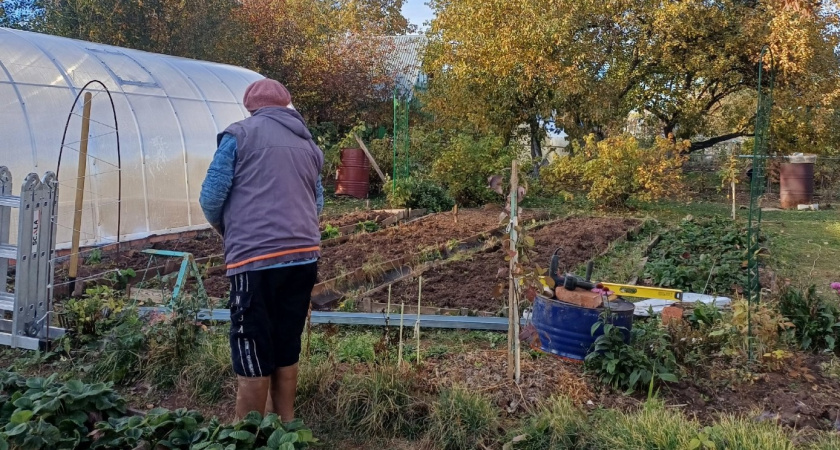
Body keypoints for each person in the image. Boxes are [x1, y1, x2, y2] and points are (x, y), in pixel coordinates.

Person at [199, 78, 324, 422]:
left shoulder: (239, 135)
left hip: (255, 260)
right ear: (286, 105)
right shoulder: (309, 144)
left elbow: (211, 197)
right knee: (286, 342)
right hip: (304, 257)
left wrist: (228, 229)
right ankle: (284, 427)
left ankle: (245, 436)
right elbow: (317, 203)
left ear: (251, 107)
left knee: (251, 347)